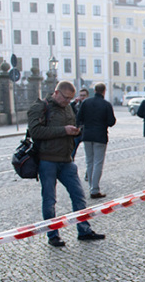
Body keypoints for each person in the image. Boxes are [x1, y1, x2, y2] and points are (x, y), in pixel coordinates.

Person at [28, 81, 105, 247]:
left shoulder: (68, 107)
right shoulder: (41, 107)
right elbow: (35, 132)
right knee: (49, 200)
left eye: (70, 99)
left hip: (66, 160)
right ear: (56, 93)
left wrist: (76, 132)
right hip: (47, 160)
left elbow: (72, 125)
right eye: (65, 98)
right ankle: (53, 235)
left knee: (79, 196)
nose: (67, 101)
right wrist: (64, 130)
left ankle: (84, 230)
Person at [76, 82, 116, 199]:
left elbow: (79, 118)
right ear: (104, 91)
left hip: (87, 135)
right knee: (98, 162)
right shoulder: (106, 104)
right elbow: (111, 122)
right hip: (100, 136)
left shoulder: (86, 103)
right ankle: (94, 189)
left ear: (94, 90)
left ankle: (91, 187)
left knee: (89, 161)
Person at [71, 87, 90, 158]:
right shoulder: (77, 105)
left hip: (87, 131)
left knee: (89, 152)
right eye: (81, 95)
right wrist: (74, 103)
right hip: (78, 131)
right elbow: (70, 109)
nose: (82, 97)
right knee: (72, 150)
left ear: (87, 96)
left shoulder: (89, 105)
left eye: (83, 95)